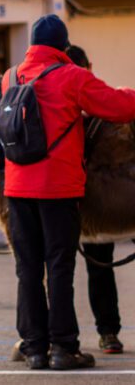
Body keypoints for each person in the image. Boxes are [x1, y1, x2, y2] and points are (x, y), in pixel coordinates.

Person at [4, 15, 135, 371]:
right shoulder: (72, 76)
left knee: (27, 269)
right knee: (59, 267)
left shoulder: (10, 77)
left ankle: (34, 349)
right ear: (62, 46)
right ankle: (63, 348)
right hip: (58, 190)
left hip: (16, 189)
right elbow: (119, 106)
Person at [66, 44, 124, 355]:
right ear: (89, 66)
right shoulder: (98, 100)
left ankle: (63, 337)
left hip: (72, 199)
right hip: (102, 201)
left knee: (62, 270)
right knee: (99, 266)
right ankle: (107, 332)